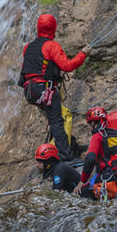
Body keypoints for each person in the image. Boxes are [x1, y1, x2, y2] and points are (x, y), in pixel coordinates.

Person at [18, 14, 91, 162]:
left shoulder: (28, 47)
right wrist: (83, 54)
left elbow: (32, 68)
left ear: (38, 27)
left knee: (58, 117)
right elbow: (67, 66)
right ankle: (66, 157)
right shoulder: (51, 45)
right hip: (45, 90)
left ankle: (72, 147)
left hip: (30, 91)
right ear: (54, 28)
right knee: (58, 121)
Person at [73, 107, 117, 200]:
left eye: (89, 125)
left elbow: (90, 159)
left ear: (93, 123)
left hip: (108, 179)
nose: (89, 128)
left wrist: (82, 181)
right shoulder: (113, 136)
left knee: (79, 195)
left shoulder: (98, 136)